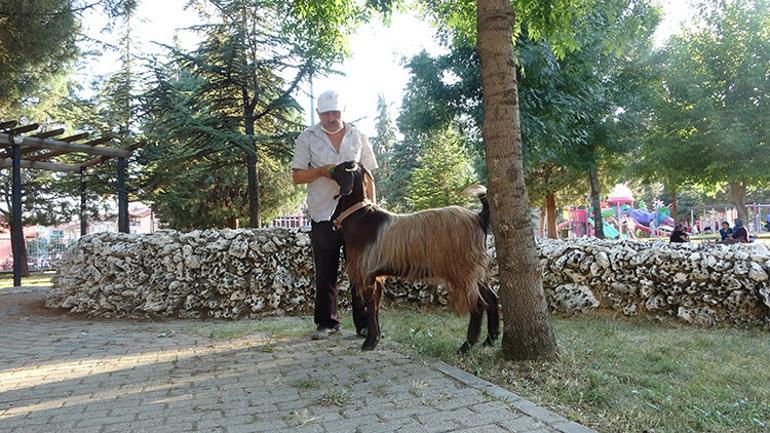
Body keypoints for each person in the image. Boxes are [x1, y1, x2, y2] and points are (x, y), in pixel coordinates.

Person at [291, 90, 378, 340]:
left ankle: (364, 323)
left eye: (335, 112)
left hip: (358, 216)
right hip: (323, 213)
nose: (331, 117)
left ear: (342, 111)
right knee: (325, 270)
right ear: (318, 114)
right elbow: (297, 176)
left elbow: (369, 174)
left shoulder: (358, 135)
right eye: (326, 113)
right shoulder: (307, 138)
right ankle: (327, 323)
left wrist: (373, 205)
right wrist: (322, 171)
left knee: (360, 269)